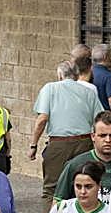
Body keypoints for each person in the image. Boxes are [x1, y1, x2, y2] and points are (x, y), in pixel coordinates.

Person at [31, 59, 105, 205]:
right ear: (77, 75)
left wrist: (33, 145)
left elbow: (42, 119)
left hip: (59, 143)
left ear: (60, 74)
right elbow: (99, 118)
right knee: (83, 185)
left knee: (51, 189)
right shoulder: (89, 91)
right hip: (84, 143)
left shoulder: (50, 88)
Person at [53, 111, 111, 203]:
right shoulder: (75, 165)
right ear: (93, 136)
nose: (108, 140)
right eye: (102, 135)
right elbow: (58, 202)